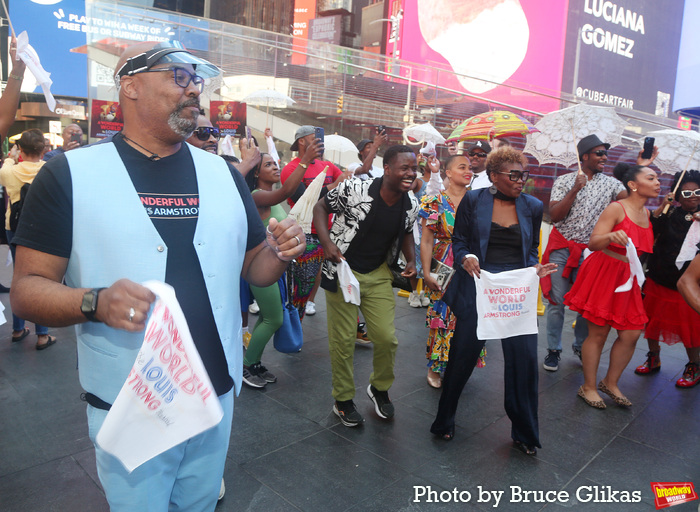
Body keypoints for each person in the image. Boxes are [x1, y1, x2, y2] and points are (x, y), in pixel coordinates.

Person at [9, 41, 305, 511]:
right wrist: (95, 302)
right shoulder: (70, 173)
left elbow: (254, 268)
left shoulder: (224, 175)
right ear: (130, 86)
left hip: (216, 392)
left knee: (201, 502)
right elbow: (25, 290)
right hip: (130, 403)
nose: (194, 90)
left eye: (197, 80)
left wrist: (280, 253)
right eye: (179, 77)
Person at [431, 147, 556, 455]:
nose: (521, 180)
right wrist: (468, 257)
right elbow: (459, 240)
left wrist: (534, 268)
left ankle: (525, 433)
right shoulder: (474, 200)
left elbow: (530, 250)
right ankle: (444, 420)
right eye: (513, 175)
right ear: (494, 176)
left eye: (523, 174)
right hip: (479, 286)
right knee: (462, 357)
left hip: (516, 291)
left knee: (524, 363)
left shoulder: (533, 206)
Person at [313, 145, 420, 427]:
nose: (411, 173)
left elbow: (407, 231)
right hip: (344, 272)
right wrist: (327, 243)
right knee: (344, 340)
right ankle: (343, 400)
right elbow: (321, 206)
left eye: (414, 168)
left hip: (378, 274)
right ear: (387, 169)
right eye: (404, 168)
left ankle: (379, 388)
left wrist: (411, 260)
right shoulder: (354, 189)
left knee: (386, 338)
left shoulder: (411, 204)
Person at [541, 134, 643, 372]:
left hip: (591, 253)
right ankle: (553, 350)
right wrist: (575, 189)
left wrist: (641, 167)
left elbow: (632, 204)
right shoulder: (565, 180)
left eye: (605, 153)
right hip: (562, 249)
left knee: (587, 305)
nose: (604, 158)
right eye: (599, 153)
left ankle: (580, 345)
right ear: (584, 156)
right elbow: (555, 216)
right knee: (556, 302)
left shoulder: (612, 185)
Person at [565, 163, 659, 409]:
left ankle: (610, 382)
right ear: (633, 185)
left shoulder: (648, 214)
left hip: (629, 278)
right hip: (605, 272)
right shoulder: (617, 208)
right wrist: (609, 236)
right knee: (598, 333)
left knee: (631, 333)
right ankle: (588, 387)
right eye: (651, 177)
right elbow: (594, 242)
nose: (657, 182)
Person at [242, 142, 323, 388]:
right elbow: (285, 191)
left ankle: (253, 361)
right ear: (256, 173)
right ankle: (246, 366)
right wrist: (304, 161)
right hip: (260, 266)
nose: (275, 167)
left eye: (276, 163)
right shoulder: (257, 195)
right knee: (273, 320)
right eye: (268, 165)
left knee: (269, 316)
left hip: (275, 267)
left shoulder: (268, 196)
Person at [633, 170, 700, 388]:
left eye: (698, 192)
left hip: (688, 284)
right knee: (652, 321)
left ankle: (694, 365)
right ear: (678, 195)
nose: (693, 196)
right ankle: (654, 357)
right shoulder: (670, 213)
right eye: (687, 192)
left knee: (690, 329)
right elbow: (650, 229)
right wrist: (664, 205)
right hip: (660, 277)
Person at [420, 153, 479, 389]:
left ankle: (459, 365)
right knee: (441, 315)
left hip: (472, 265)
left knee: (468, 317)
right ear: (448, 172)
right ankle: (435, 368)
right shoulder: (435, 202)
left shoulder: (478, 201)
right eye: (462, 167)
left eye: (471, 167)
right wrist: (426, 273)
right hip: (442, 263)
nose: (468, 171)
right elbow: (426, 240)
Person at [281, 125, 349, 319]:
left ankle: (308, 304)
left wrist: (341, 179)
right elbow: (303, 199)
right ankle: (294, 321)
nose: (320, 141)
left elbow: (343, 177)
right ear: (302, 141)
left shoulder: (325, 165)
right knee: (302, 282)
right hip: (303, 232)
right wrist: (333, 186)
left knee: (320, 273)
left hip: (326, 230)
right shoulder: (291, 168)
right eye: (315, 138)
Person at [0, 130, 55, 349]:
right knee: (40, 279)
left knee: (18, 278)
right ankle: (42, 335)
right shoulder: (50, 170)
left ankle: (17, 329)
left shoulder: (9, 171)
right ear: (44, 150)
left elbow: (5, 166)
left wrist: (11, 156)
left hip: (14, 228)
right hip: (43, 229)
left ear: (20, 149)